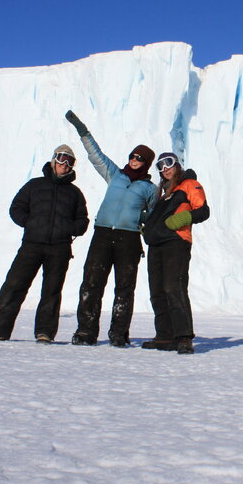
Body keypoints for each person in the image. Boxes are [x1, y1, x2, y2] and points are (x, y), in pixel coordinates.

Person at [65, 110, 158, 347]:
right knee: (91, 284)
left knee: (124, 289)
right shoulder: (115, 175)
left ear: (146, 163)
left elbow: (154, 215)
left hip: (129, 239)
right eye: (132, 156)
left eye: (139, 158)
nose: (134, 160)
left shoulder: (149, 189)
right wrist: (83, 131)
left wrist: (141, 216)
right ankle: (85, 332)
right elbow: (96, 155)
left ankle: (118, 334)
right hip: (103, 234)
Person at [0, 145, 89, 343]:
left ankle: (45, 332)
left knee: (51, 291)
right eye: (62, 159)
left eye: (69, 161)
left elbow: (83, 221)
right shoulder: (34, 185)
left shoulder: (75, 193)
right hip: (32, 244)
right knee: (14, 286)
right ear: (54, 160)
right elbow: (16, 207)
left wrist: (68, 229)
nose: (64, 165)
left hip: (59, 248)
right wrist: (30, 223)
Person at [141, 152, 209, 355]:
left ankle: (183, 337)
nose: (165, 169)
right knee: (157, 290)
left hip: (176, 242)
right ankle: (165, 336)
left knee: (174, 287)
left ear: (177, 164)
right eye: (160, 166)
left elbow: (203, 210)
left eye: (168, 163)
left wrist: (183, 219)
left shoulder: (189, 184)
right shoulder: (165, 193)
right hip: (157, 244)